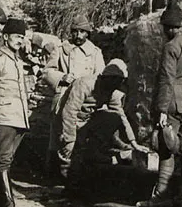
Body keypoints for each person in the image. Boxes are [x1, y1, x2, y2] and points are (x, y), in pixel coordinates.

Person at [137, 3, 182, 207]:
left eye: (166, 27)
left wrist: (161, 110)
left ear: (171, 28)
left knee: (166, 150)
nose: (165, 31)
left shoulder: (171, 47)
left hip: (173, 104)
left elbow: (166, 80)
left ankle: (161, 196)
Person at [63, 60, 148, 194]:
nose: (117, 85)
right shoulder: (84, 84)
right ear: (108, 78)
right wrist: (70, 139)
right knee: (69, 153)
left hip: (87, 120)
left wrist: (133, 143)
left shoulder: (112, 91)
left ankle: (94, 152)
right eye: (116, 81)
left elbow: (121, 116)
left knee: (112, 117)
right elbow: (69, 112)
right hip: (67, 120)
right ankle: (68, 186)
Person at [43, 14, 105, 177]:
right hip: (64, 96)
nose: (78, 36)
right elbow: (47, 72)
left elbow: (100, 77)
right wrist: (62, 77)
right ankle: (53, 174)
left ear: (88, 33)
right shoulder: (61, 49)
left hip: (84, 100)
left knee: (80, 135)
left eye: (82, 32)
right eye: (75, 32)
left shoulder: (95, 53)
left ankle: (74, 176)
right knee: (58, 135)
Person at [0, 18, 31, 207]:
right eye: (16, 36)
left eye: (22, 37)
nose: (20, 41)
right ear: (5, 37)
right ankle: (8, 203)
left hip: (19, 118)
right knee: (3, 159)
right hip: (3, 117)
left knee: (9, 159)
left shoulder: (18, 61)